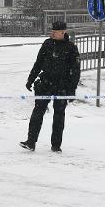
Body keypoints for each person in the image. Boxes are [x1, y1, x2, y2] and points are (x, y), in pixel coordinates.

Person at [20, 20, 81, 152]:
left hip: (62, 86)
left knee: (59, 115)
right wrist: (30, 79)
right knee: (38, 112)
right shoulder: (47, 44)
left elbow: (75, 71)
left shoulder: (71, 48)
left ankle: (56, 145)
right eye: (51, 31)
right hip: (45, 83)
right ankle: (31, 142)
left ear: (63, 32)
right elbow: (38, 63)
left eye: (55, 31)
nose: (52, 33)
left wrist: (72, 89)